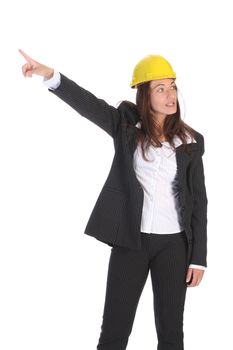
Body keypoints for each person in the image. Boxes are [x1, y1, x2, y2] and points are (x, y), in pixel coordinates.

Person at [19, 49, 208, 350]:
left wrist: (198, 257)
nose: (170, 94)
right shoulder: (124, 127)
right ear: (145, 95)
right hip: (130, 241)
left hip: (174, 245)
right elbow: (88, 105)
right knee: (115, 331)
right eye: (161, 88)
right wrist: (49, 75)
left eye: (172, 86)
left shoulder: (191, 141)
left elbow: (199, 202)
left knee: (172, 332)